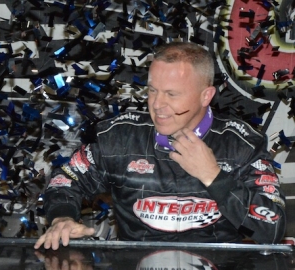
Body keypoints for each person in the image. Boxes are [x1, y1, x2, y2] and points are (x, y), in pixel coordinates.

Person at [34, 42, 286, 250]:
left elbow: (271, 230)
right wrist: (62, 217)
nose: (157, 105)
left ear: (205, 96)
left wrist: (214, 177)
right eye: (153, 91)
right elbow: (65, 180)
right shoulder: (119, 137)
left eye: (172, 94)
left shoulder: (241, 144)